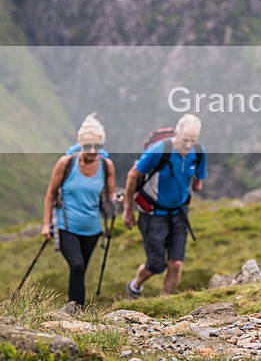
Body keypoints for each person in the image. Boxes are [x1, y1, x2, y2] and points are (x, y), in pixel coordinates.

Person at [123, 114, 206, 298]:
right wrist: (128, 210)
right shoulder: (158, 150)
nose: (188, 145)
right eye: (185, 140)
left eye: (193, 141)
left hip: (179, 214)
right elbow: (132, 176)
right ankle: (135, 286)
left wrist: (196, 184)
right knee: (156, 265)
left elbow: (198, 180)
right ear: (176, 134)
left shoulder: (198, 152)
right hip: (153, 214)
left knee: (176, 263)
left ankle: (164, 303)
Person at [41, 113, 117, 307]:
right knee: (76, 265)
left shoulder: (106, 165)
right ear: (80, 143)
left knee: (80, 271)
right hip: (67, 225)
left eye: (97, 147)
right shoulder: (65, 164)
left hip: (92, 228)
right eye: (88, 146)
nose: (92, 151)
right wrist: (45, 224)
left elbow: (111, 193)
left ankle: (74, 309)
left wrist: (117, 199)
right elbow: (50, 194)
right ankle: (77, 311)